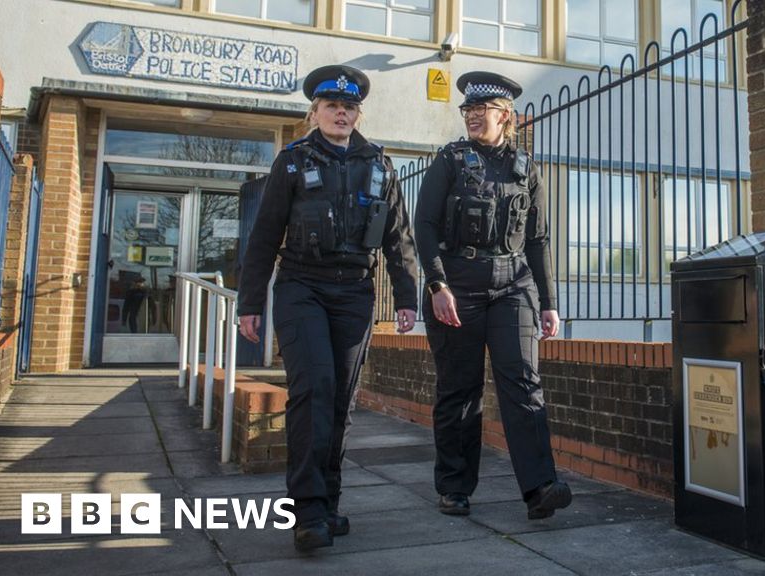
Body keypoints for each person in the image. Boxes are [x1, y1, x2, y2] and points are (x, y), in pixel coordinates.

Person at [237, 64, 418, 552]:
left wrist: (407, 296)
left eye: (349, 106)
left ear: (358, 113)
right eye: (332, 105)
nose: (341, 113)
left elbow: (399, 237)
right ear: (314, 111)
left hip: (354, 292)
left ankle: (329, 503)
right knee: (313, 388)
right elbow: (264, 236)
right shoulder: (293, 161)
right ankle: (308, 510)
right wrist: (250, 302)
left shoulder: (379, 163)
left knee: (340, 399)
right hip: (301, 288)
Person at [414, 71, 571, 520]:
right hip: (458, 284)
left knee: (523, 381)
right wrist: (437, 284)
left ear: (506, 116)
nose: (474, 117)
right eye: (469, 110)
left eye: (483, 110)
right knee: (460, 389)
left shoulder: (526, 167)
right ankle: (455, 488)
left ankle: (540, 487)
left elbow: (538, 240)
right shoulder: (449, 160)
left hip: (513, 284)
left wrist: (549, 302)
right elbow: (423, 225)